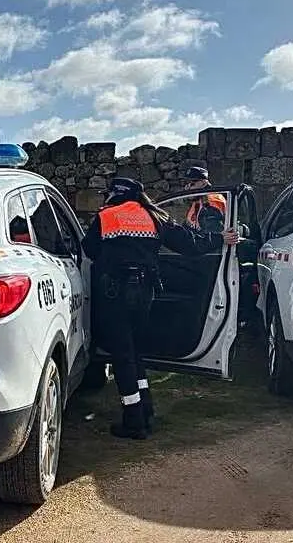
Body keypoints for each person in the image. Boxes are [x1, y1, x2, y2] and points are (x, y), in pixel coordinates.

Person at [82, 177, 239, 440]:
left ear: (114, 194)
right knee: (136, 351)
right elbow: (189, 244)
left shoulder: (106, 217)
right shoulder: (154, 216)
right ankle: (145, 408)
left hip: (115, 293)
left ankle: (134, 422)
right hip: (145, 293)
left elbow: (89, 249)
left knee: (122, 355)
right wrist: (220, 238)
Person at [182, 167, 227, 233]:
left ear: (203, 183)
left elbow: (211, 236)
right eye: (186, 183)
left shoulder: (211, 201)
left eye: (192, 183)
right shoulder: (198, 199)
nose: (187, 187)